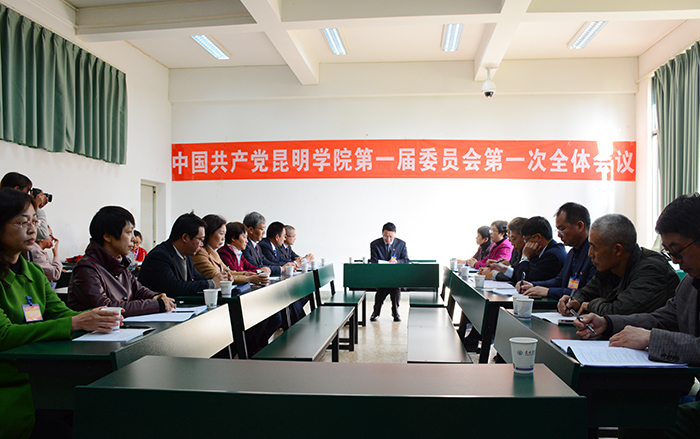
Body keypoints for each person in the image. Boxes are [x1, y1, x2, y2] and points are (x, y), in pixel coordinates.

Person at [574, 193, 700, 438]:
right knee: (635, 416)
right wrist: (607, 323)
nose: (675, 261)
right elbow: (663, 317)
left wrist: (652, 338)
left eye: (677, 251)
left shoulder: (653, 269)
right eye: (669, 252)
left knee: (646, 422)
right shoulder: (690, 283)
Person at [0, 188, 121, 439]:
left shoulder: (33, 272)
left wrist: (94, 317)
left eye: (35, 221)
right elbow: (4, 335)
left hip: (43, 376)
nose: (32, 230)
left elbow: (61, 314)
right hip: (10, 383)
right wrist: (75, 322)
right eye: (22, 222)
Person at [559, 213, 679, 316]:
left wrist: (590, 306)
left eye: (594, 248)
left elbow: (620, 311)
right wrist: (575, 300)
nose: (590, 254)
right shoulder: (609, 267)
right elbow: (588, 292)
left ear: (617, 250)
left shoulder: (652, 270)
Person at [67, 206, 175, 316]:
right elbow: (106, 308)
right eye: (129, 232)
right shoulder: (87, 269)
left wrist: (155, 296)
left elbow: (139, 290)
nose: (133, 239)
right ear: (108, 237)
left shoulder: (119, 263)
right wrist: (156, 304)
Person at [519, 203, 597, 300]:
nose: (559, 235)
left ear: (579, 226)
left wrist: (548, 291)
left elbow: (587, 293)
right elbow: (560, 280)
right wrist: (533, 285)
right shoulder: (572, 253)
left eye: (562, 229)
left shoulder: (595, 254)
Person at [138, 212, 224, 297]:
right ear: (185, 238)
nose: (202, 244)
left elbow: (198, 278)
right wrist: (210, 284)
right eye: (200, 239)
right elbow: (174, 287)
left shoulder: (187, 256)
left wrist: (221, 280)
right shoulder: (159, 256)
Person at [193, 214, 267, 286]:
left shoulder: (213, 252)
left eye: (224, 235)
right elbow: (219, 277)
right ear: (209, 233)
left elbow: (228, 271)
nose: (223, 238)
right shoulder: (201, 253)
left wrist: (245, 274)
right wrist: (248, 279)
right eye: (221, 234)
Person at [369, 222, 409, 322]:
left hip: (395, 277)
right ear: (382, 233)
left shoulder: (401, 244)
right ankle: (376, 313)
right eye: (386, 236)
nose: (388, 239)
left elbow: (406, 260)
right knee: (381, 292)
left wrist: (397, 261)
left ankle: (395, 313)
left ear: (395, 235)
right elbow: (373, 261)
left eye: (391, 237)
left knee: (395, 291)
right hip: (382, 276)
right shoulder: (375, 244)